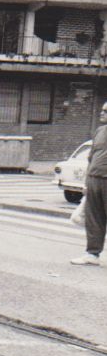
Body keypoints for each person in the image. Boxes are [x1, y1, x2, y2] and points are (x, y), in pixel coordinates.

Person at [71, 101, 107, 265]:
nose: (102, 113)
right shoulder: (99, 131)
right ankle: (92, 254)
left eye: (105, 111)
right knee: (94, 217)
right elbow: (91, 157)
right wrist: (86, 183)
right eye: (102, 110)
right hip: (94, 178)